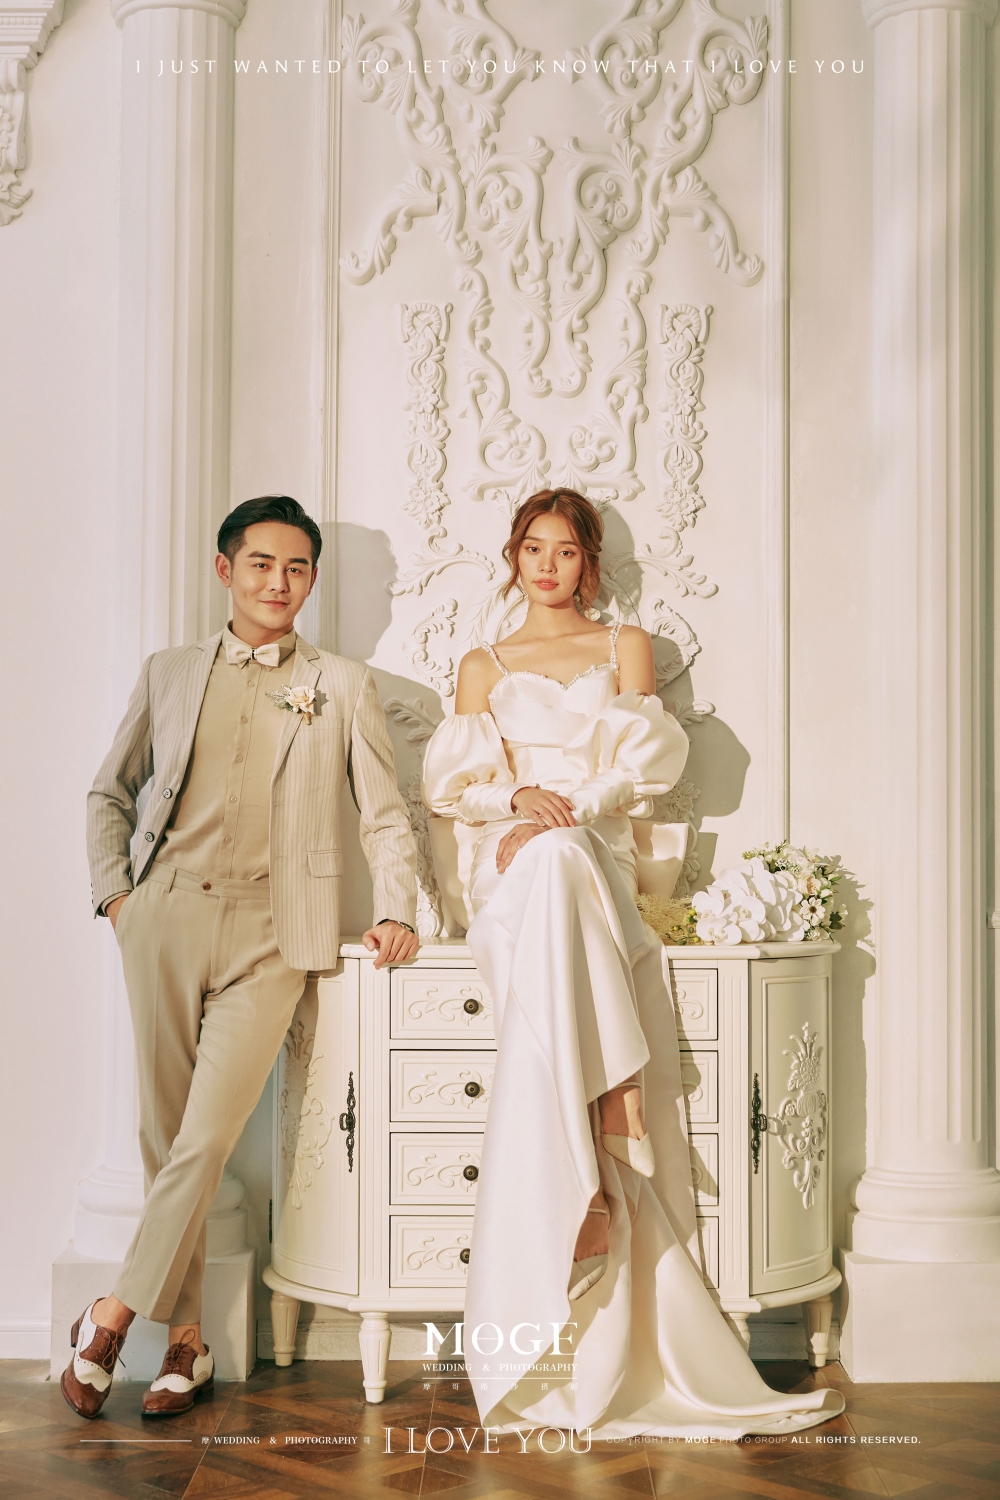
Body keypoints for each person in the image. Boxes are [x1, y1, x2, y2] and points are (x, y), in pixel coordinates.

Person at [422, 488, 845, 1437]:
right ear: (512, 556)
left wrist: (567, 807)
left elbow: (645, 768)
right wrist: (517, 804)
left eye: (566, 551)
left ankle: (588, 1144)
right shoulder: (482, 664)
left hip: (594, 847)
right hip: (509, 863)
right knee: (545, 862)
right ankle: (612, 1102)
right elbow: (459, 792)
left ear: (589, 563)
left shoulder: (625, 646)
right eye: (533, 548)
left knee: (566, 857)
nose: (547, 566)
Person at [66, 495, 419, 1420]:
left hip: (275, 934)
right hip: (164, 917)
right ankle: (187, 1344)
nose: (279, 582)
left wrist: (396, 909)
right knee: (163, 1141)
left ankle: (110, 1316)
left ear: (312, 580)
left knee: (205, 1139)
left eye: (297, 568)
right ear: (226, 570)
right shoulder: (170, 671)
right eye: (262, 563)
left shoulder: (341, 684)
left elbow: (386, 815)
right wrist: (118, 900)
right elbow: (110, 792)